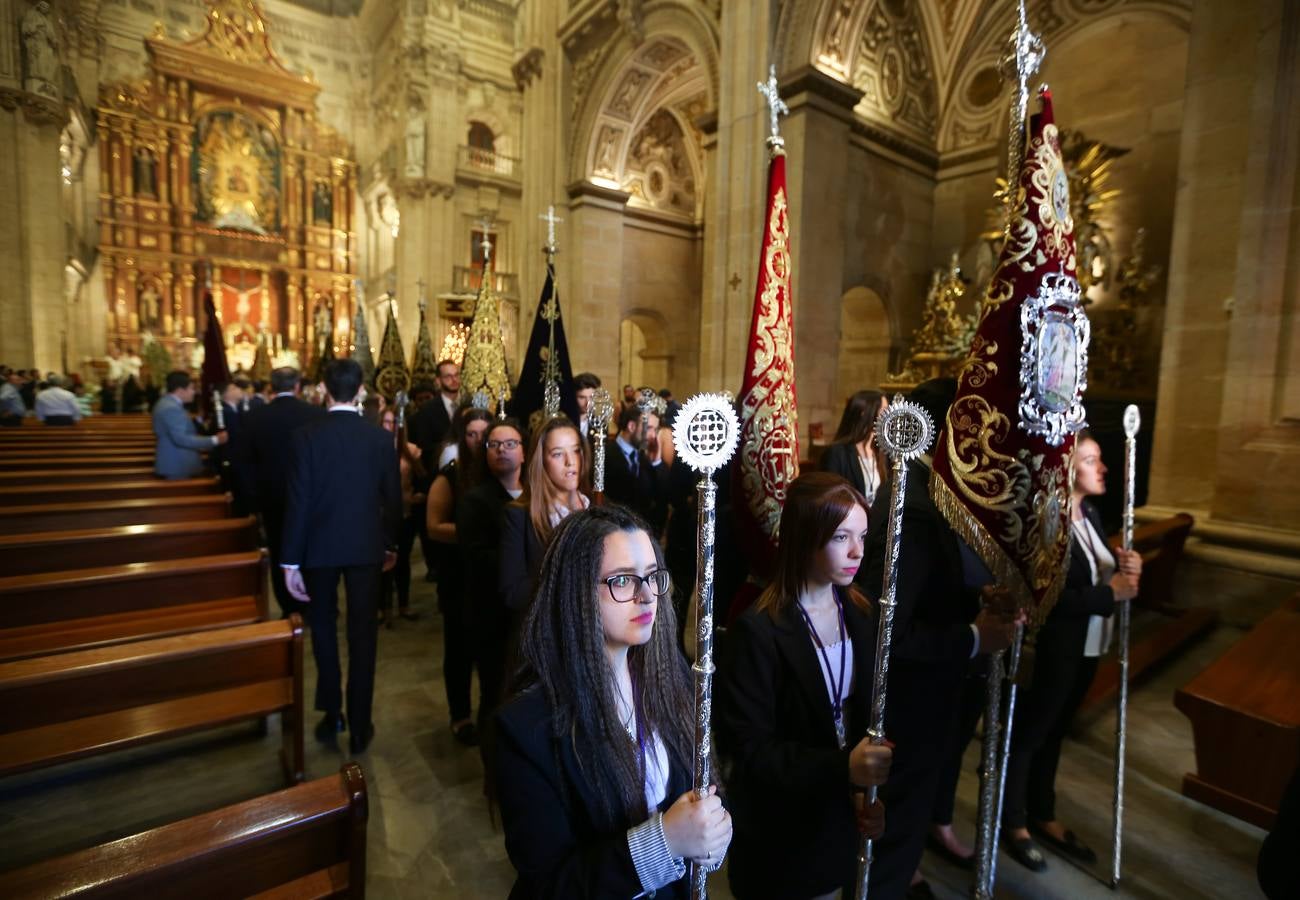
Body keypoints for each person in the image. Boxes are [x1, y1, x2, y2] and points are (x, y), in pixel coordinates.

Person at [495, 505, 732, 898]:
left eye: (652, 577)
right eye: (622, 581)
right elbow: (552, 884)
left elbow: (699, 787)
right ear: (576, 591)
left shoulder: (667, 678)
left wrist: (711, 833)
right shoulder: (526, 726)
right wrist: (664, 843)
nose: (645, 596)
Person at [861, 377, 1020, 900]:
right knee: (893, 824)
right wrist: (976, 636)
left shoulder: (929, 495)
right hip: (910, 701)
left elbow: (930, 595)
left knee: (906, 821)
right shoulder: (915, 506)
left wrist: (977, 605)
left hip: (928, 698)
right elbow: (892, 635)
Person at [717, 471, 892, 899]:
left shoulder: (862, 615)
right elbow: (749, 754)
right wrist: (843, 767)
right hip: (779, 836)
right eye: (840, 538)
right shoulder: (759, 632)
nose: (857, 552)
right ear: (804, 538)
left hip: (836, 823)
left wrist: (864, 790)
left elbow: (862, 720)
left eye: (863, 536)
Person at [1001, 429, 1142, 871]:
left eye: (1099, 459)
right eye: (1090, 460)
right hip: (1055, 647)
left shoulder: (1091, 515)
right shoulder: (1048, 521)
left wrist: (1124, 564)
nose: (1102, 468)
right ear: (1066, 469)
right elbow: (1045, 598)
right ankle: (1015, 823)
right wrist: (1110, 594)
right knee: (1032, 733)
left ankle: (1044, 813)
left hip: (1088, 644)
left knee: (1056, 731)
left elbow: (1100, 572)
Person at [280, 358, 402, 755]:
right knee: (363, 634)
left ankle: (332, 712)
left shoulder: (305, 437)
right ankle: (361, 724)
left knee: (325, 630)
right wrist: (391, 544)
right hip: (366, 547)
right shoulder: (380, 439)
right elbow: (392, 501)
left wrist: (290, 560)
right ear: (362, 390)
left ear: (323, 390)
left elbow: (297, 501)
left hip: (318, 549)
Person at [233, 367, 327, 617]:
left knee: (279, 550)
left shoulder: (254, 417)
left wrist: (253, 499)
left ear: (271, 387)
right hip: (310, 495)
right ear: (297, 386)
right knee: (311, 548)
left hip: (271, 496)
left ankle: (289, 606)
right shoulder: (315, 414)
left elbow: (243, 463)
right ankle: (312, 602)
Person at [426, 406, 493, 745]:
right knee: (459, 647)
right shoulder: (451, 475)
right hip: (457, 573)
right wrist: (471, 533)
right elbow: (434, 526)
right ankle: (460, 714)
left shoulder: (498, 475)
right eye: (472, 434)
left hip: (488, 575)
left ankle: (488, 711)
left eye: (485, 434)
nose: (479, 441)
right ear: (462, 436)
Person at [457, 417, 526, 740]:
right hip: (491, 613)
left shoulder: (534, 494)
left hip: (525, 612)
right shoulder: (476, 500)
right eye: (494, 445)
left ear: (524, 452)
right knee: (494, 693)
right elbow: (476, 557)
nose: (502, 451)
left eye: (510, 444)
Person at [500, 416, 590, 618]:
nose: (570, 462)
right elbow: (513, 593)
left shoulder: (598, 506)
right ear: (541, 460)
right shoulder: (519, 516)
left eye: (576, 450)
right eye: (558, 454)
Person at [373, 402, 426, 625]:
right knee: (381, 563)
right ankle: (383, 608)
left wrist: (416, 496)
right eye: (385, 422)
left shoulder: (410, 449)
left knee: (402, 561)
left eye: (393, 422)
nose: (389, 426)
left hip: (404, 513)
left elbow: (422, 477)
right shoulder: (373, 447)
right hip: (379, 515)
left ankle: (403, 604)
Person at [153, 371, 227, 479]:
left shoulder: (169, 403)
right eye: (192, 388)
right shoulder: (171, 407)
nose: (195, 392)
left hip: (178, 461)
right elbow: (181, 439)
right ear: (180, 390)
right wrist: (215, 440)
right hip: (177, 464)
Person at [605, 405, 667, 532]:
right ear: (632, 426)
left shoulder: (645, 457)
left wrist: (656, 462)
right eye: (649, 428)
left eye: (656, 430)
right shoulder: (605, 455)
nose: (653, 436)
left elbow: (663, 497)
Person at [820, 390, 887, 506]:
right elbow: (831, 499)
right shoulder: (836, 453)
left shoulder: (881, 451)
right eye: (884, 411)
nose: (889, 416)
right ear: (865, 413)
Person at [409, 359, 461, 462]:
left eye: (456, 375)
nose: (454, 380)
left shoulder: (469, 404)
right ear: (438, 381)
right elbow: (424, 447)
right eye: (448, 377)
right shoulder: (427, 410)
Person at [574, 371, 601, 443]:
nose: (588, 403)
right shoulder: (565, 422)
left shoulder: (599, 424)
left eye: (592, 397)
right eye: (582, 397)